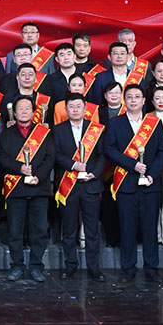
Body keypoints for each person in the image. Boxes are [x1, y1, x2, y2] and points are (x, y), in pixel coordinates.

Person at [106, 84, 163, 281]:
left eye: (137, 97)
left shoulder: (154, 123)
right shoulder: (115, 123)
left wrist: (152, 173)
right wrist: (133, 165)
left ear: (144, 101)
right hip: (126, 184)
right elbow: (110, 149)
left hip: (150, 184)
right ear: (124, 100)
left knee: (150, 228)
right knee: (127, 228)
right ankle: (128, 269)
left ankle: (152, 269)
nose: (133, 100)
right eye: (129, 97)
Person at [0, 96, 56, 282]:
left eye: (27, 108)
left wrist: (38, 176)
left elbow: (50, 158)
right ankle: (17, 266)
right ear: (14, 113)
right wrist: (20, 168)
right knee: (15, 231)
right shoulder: (6, 134)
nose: (24, 111)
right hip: (16, 189)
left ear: (33, 112)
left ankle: (36, 266)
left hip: (39, 188)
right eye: (20, 109)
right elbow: (2, 158)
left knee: (39, 230)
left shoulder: (44, 133)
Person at [51, 94, 107, 281]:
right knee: (69, 229)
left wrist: (94, 173)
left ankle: (94, 268)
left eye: (78, 106)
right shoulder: (58, 130)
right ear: (66, 110)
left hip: (91, 185)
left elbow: (102, 155)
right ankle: (70, 265)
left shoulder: (95, 129)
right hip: (68, 185)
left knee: (92, 230)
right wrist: (73, 165)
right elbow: (55, 155)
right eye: (71, 107)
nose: (75, 110)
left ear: (85, 109)